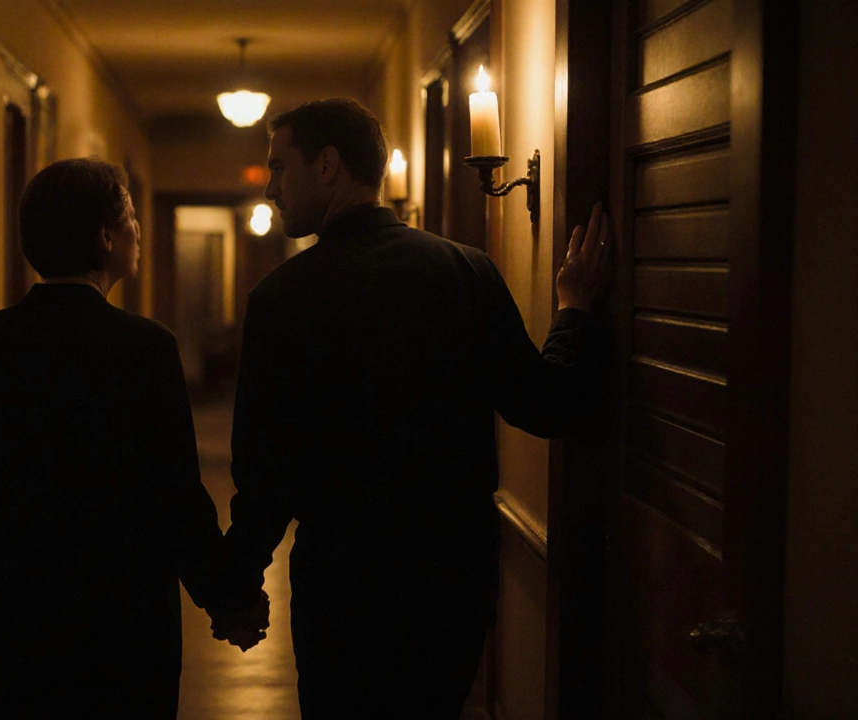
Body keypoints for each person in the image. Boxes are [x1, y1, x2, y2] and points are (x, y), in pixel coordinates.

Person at [220, 98, 612, 718]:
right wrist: (573, 313)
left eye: (278, 166)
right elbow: (543, 404)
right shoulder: (466, 272)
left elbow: (266, 472)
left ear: (327, 165)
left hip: (341, 589)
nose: (269, 187)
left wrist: (236, 585)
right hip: (451, 585)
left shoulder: (282, 297)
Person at [0, 157, 267, 719]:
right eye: (130, 218)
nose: (137, 232)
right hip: (117, 635)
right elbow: (175, 498)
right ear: (107, 237)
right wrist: (228, 595)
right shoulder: (145, 348)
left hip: (2, 632)